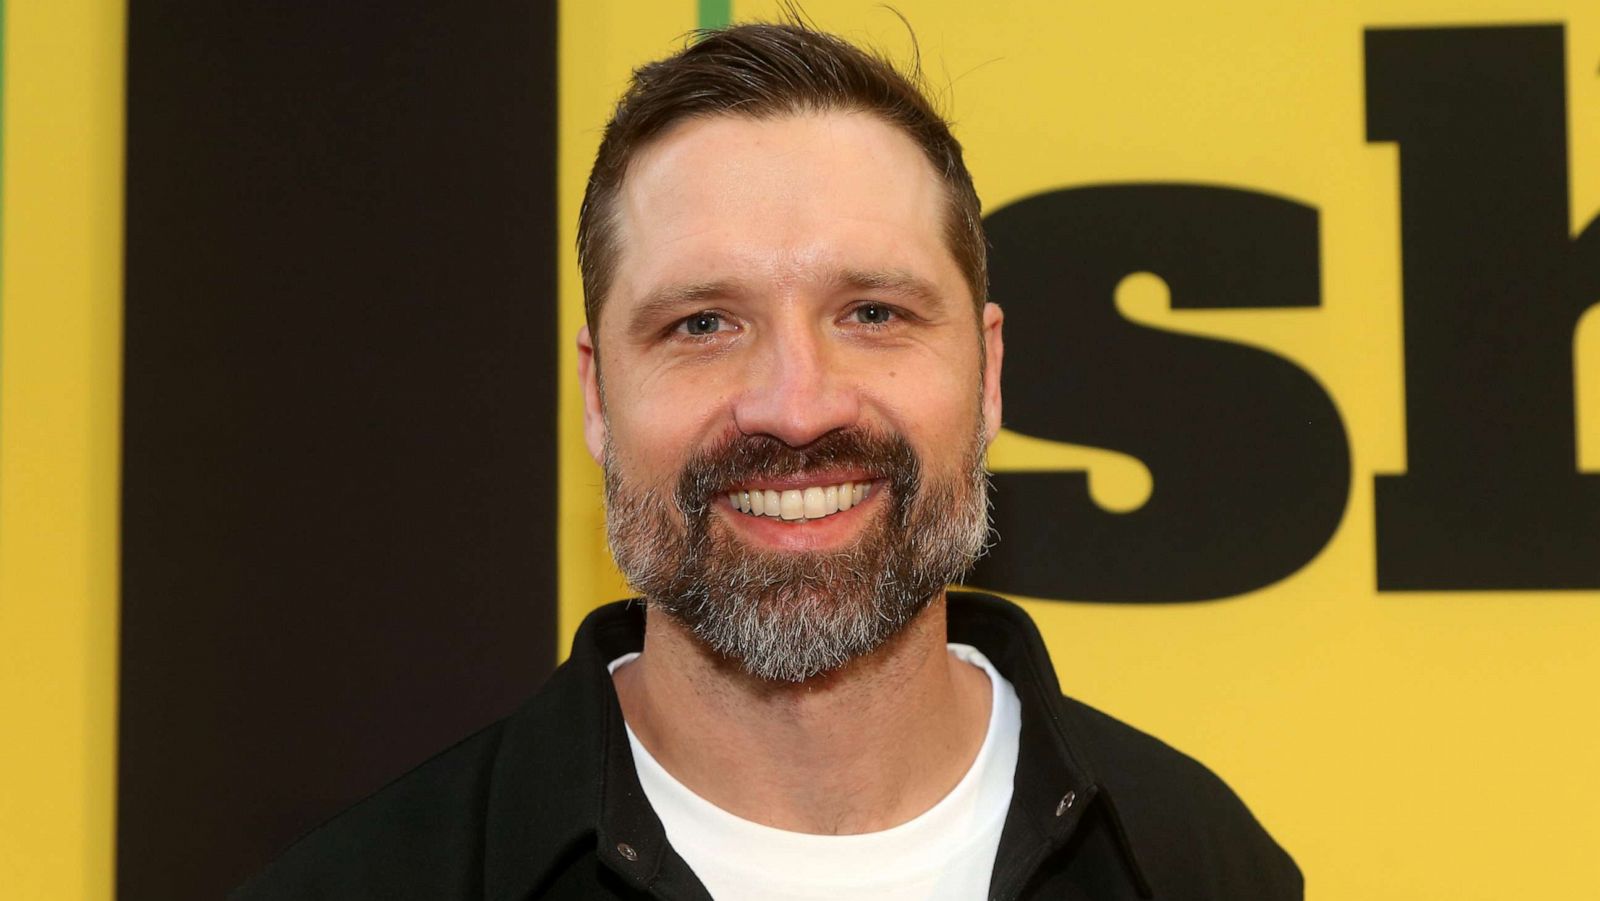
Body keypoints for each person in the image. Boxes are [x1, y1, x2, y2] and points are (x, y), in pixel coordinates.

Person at [235, 19, 1301, 901]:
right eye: (703, 324)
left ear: (988, 374)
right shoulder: (362, 885)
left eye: (873, 311)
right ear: (598, 395)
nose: (795, 407)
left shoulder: (1196, 865)